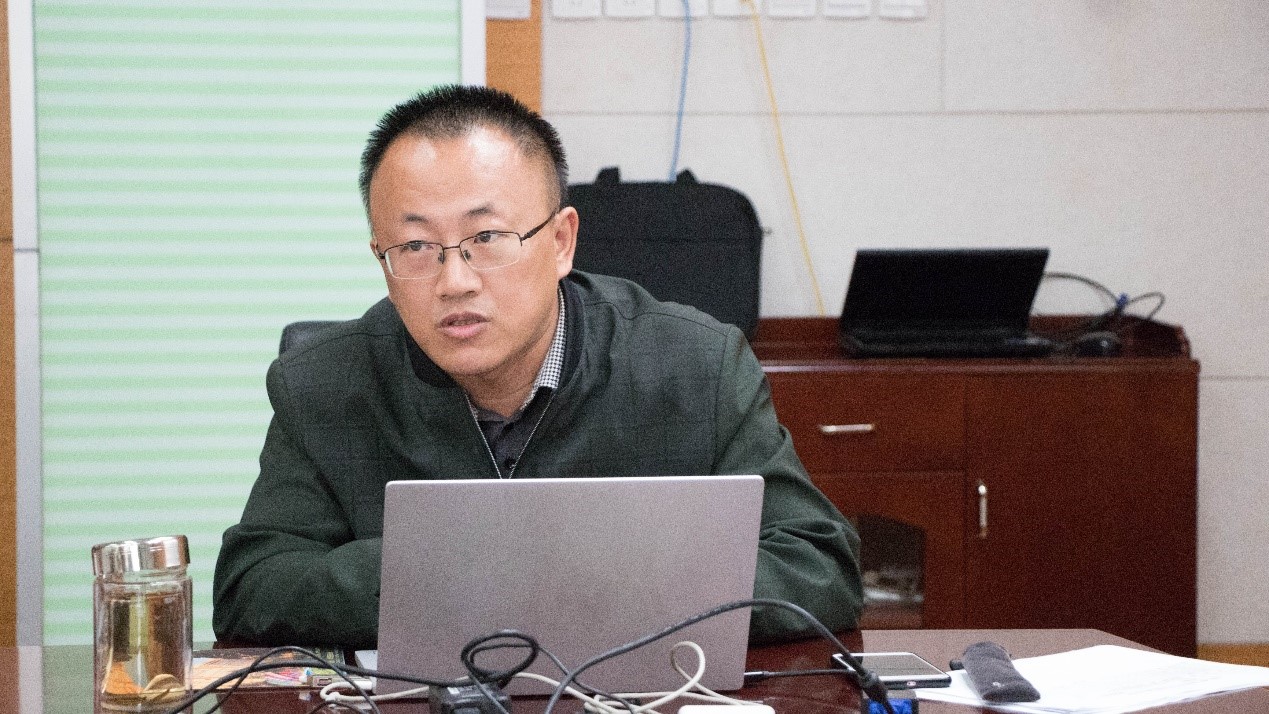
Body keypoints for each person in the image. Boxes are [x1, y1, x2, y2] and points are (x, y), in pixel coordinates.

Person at [212, 84, 863, 649]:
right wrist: (449, 571)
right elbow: (253, 585)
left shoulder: (695, 366)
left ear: (559, 242)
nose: (454, 280)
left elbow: (817, 566)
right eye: (414, 246)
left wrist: (585, 576)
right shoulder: (324, 383)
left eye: (487, 238)